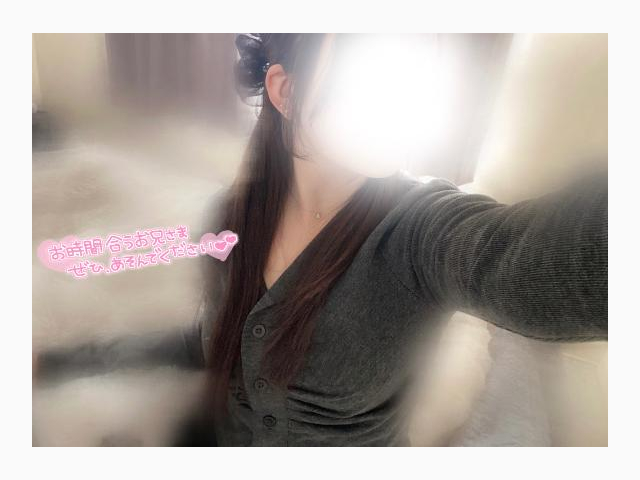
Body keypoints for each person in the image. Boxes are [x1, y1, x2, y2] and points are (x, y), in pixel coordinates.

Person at [33, 34, 607, 447]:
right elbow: (208, 338)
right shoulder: (231, 216)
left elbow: (528, 261)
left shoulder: (422, 227)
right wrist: (67, 361)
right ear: (285, 91)